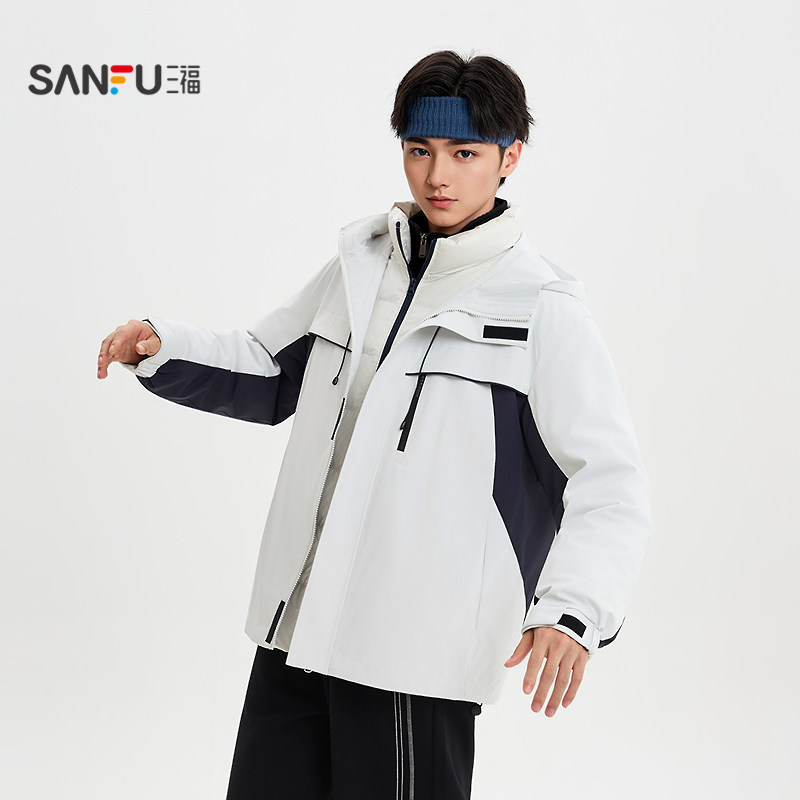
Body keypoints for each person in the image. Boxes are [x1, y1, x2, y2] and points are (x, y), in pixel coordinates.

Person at [97, 50, 652, 800]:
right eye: (419, 151)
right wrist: (164, 347)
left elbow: (610, 483)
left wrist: (572, 611)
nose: (437, 176)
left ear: (510, 157)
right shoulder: (359, 267)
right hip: (298, 628)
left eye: (464, 153)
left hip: (413, 651)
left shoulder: (541, 307)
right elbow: (270, 370)